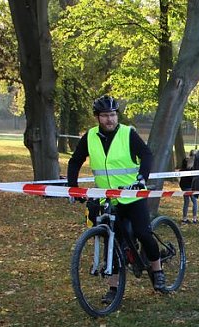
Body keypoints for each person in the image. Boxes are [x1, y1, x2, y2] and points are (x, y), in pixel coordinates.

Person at [67, 95, 166, 303]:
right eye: (105, 115)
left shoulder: (127, 133)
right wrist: (73, 187)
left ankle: (157, 271)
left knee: (143, 233)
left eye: (112, 115)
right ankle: (113, 288)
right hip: (108, 199)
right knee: (112, 241)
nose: (110, 119)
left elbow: (147, 155)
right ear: (97, 117)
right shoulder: (90, 137)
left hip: (132, 196)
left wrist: (141, 179)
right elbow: (75, 161)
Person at [179, 149, 197, 224]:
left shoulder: (185, 161)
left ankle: (184, 218)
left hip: (183, 184)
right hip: (189, 185)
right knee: (194, 201)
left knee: (186, 202)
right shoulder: (195, 164)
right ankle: (194, 219)